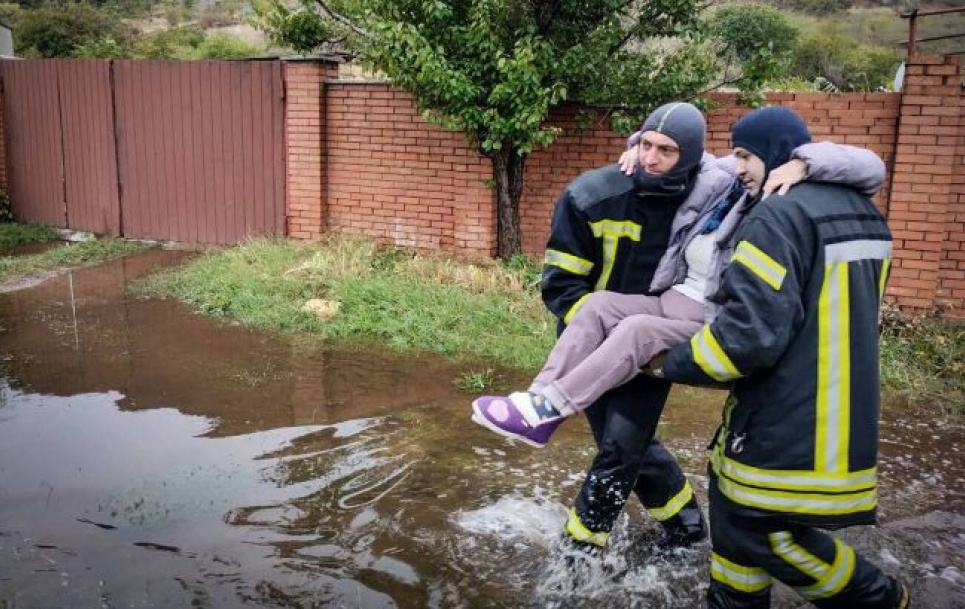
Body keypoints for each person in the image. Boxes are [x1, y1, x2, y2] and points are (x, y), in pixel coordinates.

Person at [471, 101, 884, 552]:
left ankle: (581, 510)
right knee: (597, 307)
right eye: (646, 145)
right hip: (673, 299)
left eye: (663, 150)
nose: (651, 157)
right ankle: (537, 407)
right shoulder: (723, 176)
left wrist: (804, 162)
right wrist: (636, 145)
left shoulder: (775, 191)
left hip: (707, 316)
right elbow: (689, 152)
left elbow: (870, 167)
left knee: (632, 363)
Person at [650, 106, 908, 608]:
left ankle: (878, 598)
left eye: (744, 155)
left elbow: (748, 339)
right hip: (842, 414)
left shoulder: (775, 216)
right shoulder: (863, 212)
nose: (738, 167)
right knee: (734, 522)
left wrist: (669, 362)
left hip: (786, 414)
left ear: (774, 153)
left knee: (756, 530)